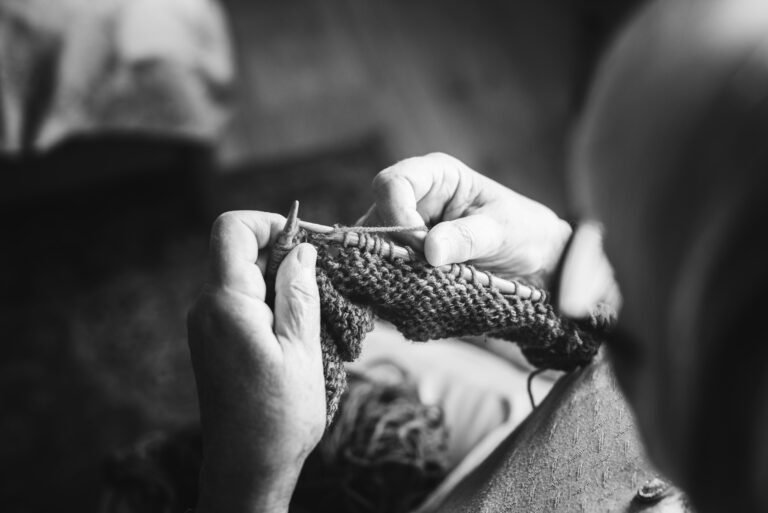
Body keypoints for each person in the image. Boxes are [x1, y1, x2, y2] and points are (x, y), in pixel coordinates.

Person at [186, 0, 768, 511]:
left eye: (632, 296)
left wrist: (250, 480)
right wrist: (552, 255)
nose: (596, 284)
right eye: (597, 242)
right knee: (374, 359)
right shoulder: (719, 408)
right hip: (529, 427)